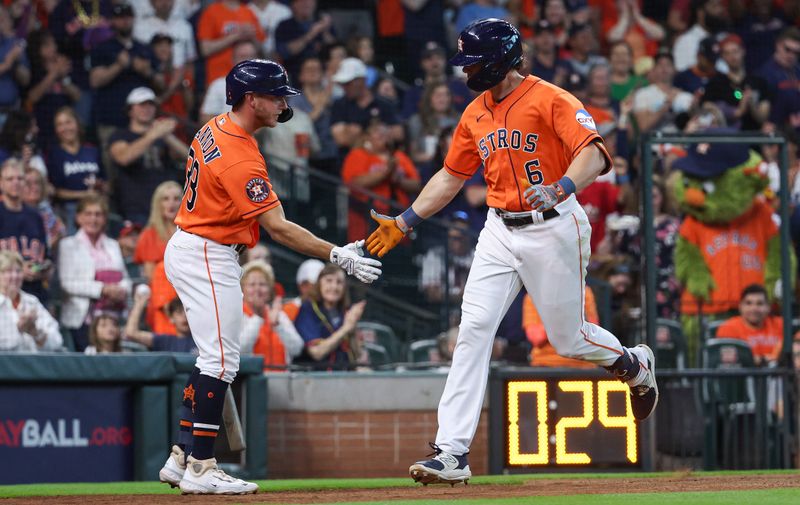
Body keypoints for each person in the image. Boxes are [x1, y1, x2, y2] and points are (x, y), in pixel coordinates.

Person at [364, 19, 658, 485]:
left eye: (473, 61)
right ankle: (451, 452)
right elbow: (450, 176)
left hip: (555, 227)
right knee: (473, 330)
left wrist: (561, 187)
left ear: (499, 59)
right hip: (500, 228)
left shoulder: (550, 97)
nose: (466, 71)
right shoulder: (474, 112)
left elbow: (596, 155)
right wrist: (405, 221)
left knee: (567, 339)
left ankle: (632, 362)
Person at [157, 59, 381, 495]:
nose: (283, 102)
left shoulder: (215, 125)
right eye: (276, 95)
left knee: (211, 359)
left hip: (195, 245)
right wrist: (338, 255)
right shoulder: (239, 153)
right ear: (250, 99)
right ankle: (201, 466)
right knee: (222, 362)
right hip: (208, 250)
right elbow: (278, 228)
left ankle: (183, 454)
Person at [58, 195, 130, 351]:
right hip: (82, 318)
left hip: (113, 316)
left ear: (105, 219)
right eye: (88, 214)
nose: (93, 219)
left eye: (98, 214)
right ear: (78, 218)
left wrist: (121, 289)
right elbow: (67, 284)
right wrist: (101, 289)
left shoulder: (112, 245)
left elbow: (125, 278)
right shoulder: (67, 245)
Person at [108, 87, 186, 223]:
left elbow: (191, 157)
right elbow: (123, 157)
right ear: (130, 109)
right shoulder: (120, 135)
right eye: (141, 105)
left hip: (167, 207)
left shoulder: (162, 136)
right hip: (136, 208)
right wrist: (153, 134)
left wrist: (167, 136)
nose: (147, 108)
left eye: (151, 104)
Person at [293, 262, 366, 369]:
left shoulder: (346, 311)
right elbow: (317, 352)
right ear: (319, 283)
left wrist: (353, 327)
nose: (334, 287)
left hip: (345, 377)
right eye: (329, 280)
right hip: (316, 379)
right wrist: (346, 329)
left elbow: (357, 355)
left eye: (339, 282)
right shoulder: (307, 309)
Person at [46, 106, 106, 234]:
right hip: (69, 210)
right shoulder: (54, 154)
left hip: (97, 207)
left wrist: (101, 187)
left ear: (77, 124)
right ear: (56, 130)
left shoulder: (92, 150)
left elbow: (105, 179)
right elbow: (56, 191)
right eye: (60, 124)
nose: (65, 128)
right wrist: (84, 195)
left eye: (68, 122)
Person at [0, 158, 50, 302]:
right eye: (10, 179)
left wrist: (40, 269)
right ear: (1, 183)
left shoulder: (36, 216)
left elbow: (46, 257)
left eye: (20, 179)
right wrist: (19, 270)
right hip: (3, 296)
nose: (16, 182)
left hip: (35, 294)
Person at [240, 260, 303, 369]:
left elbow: (297, 349)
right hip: (249, 381)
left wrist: (278, 325)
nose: (257, 289)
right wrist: (258, 318)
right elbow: (241, 349)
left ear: (270, 290)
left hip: (281, 379)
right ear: (243, 288)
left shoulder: (279, 315)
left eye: (262, 284)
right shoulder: (238, 314)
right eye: (252, 284)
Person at [0, 250, 61, 352]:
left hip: (34, 365)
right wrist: (19, 330)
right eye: (8, 271)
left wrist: (35, 332)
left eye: (18, 271)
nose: (15, 276)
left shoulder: (32, 302)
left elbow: (57, 341)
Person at [716, 284, 784, 366]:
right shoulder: (728, 328)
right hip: (742, 376)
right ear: (740, 306)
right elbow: (729, 360)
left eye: (759, 304)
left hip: (777, 376)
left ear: (768, 307)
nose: (754, 308)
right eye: (748, 303)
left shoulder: (781, 325)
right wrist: (763, 360)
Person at [133, 180, 181, 281]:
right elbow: (151, 277)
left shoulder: (191, 233)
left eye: (176, 199)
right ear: (158, 203)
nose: (171, 203)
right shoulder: (148, 236)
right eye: (165, 199)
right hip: (162, 290)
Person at [125, 290, 197, 353]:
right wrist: (139, 303)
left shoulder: (202, 341)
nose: (184, 316)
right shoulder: (165, 341)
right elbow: (131, 333)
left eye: (187, 313)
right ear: (171, 318)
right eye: (179, 312)